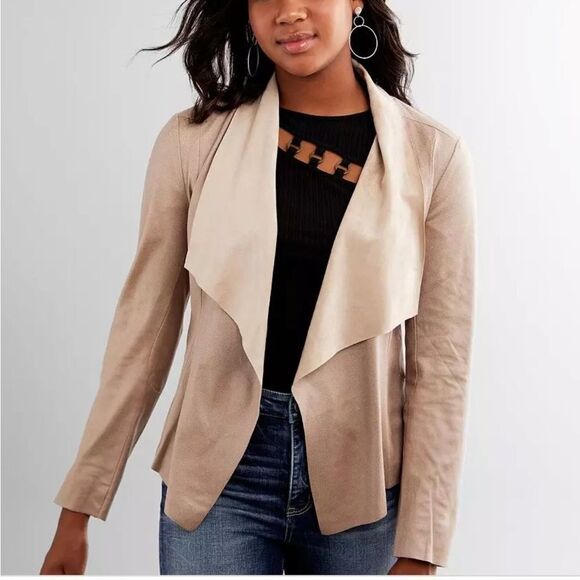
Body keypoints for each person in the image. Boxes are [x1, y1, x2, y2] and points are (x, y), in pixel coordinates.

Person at [41, 0, 476, 575]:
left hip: (361, 482)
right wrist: (78, 507)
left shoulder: (433, 157)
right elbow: (141, 336)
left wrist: (423, 549)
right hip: (217, 477)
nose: (289, 12)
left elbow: (440, 367)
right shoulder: (193, 141)